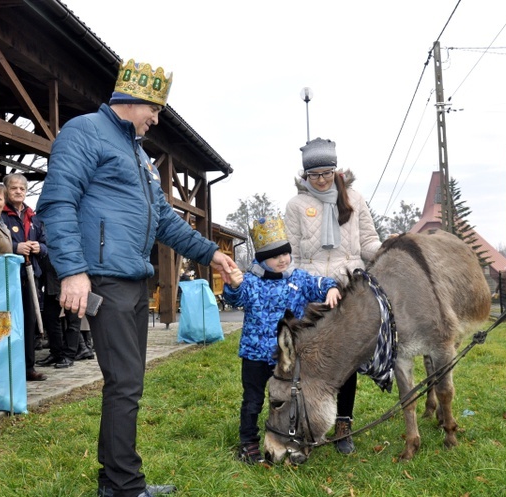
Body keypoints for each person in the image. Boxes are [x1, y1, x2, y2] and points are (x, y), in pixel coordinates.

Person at [36, 58, 238, 497]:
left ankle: (115, 481)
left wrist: (211, 255)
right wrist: (73, 270)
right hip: (102, 278)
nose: (157, 119)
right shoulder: (85, 131)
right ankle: (126, 486)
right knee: (125, 383)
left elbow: (165, 220)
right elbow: (56, 202)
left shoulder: (138, 155)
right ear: (135, 100)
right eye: (156, 110)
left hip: (130, 279)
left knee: (127, 384)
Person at [284, 137, 381, 454]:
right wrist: (293, 288)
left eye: (326, 172)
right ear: (306, 175)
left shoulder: (354, 199)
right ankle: (308, 421)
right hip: (311, 289)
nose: (321, 179)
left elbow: (368, 243)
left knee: (346, 361)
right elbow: (292, 255)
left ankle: (343, 425)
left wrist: (389, 251)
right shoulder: (296, 206)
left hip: (348, 287)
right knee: (311, 360)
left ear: (335, 170)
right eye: (314, 175)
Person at [223, 216, 341, 464]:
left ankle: (294, 434)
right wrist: (233, 286)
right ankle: (248, 443)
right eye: (275, 256)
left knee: (291, 398)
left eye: (285, 253)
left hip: (288, 359)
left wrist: (331, 287)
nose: (282, 259)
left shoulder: (298, 279)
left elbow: (319, 283)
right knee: (253, 400)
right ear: (261, 259)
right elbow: (235, 298)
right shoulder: (251, 281)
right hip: (255, 355)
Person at [1, 173, 48, 382]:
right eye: (13, 188)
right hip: (7, 276)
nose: (18, 191)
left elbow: (47, 245)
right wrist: (15, 247)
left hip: (30, 276)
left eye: (21, 188)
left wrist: (40, 248)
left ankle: (29, 367)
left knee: (29, 323)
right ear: (6, 190)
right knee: (8, 322)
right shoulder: (0, 215)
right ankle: (7, 368)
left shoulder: (33, 216)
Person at [36, 258, 82, 369]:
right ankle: (56, 353)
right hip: (51, 280)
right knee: (50, 317)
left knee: (72, 320)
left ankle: (69, 355)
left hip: (71, 279)